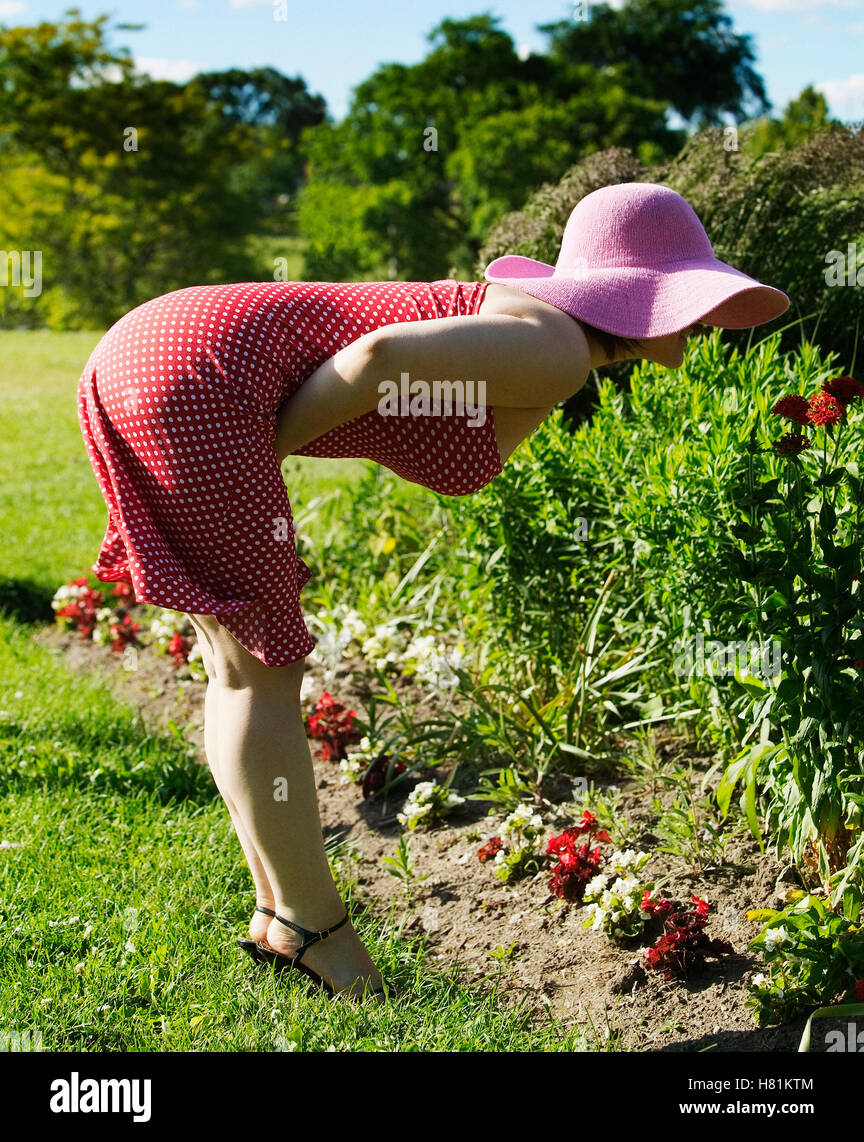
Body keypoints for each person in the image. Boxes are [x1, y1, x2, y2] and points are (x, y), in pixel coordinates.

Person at [76, 182, 789, 1000]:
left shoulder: (535, 332)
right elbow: (379, 362)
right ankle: (318, 933)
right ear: (644, 296)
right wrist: (257, 450)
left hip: (154, 348)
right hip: (195, 379)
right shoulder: (553, 347)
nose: (705, 323)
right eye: (693, 297)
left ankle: (283, 914)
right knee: (258, 671)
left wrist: (245, 453)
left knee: (238, 671)